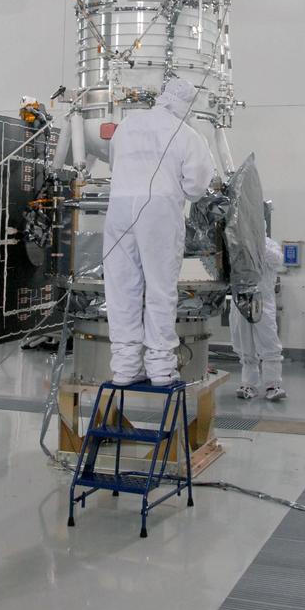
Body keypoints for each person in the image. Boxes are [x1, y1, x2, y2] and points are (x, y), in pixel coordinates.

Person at [102, 77, 215, 385]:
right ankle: (160, 366)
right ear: (187, 104)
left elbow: (115, 164)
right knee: (159, 287)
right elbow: (196, 186)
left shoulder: (127, 125)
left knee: (121, 286)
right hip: (159, 210)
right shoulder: (188, 134)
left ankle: (125, 366)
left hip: (119, 207)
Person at [230, 234, 286, 401]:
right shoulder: (234, 243)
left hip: (262, 300)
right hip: (239, 299)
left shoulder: (269, 244)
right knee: (244, 343)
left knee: (269, 342)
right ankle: (248, 384)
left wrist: (256, 244)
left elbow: (278, 260)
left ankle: (272, 384)